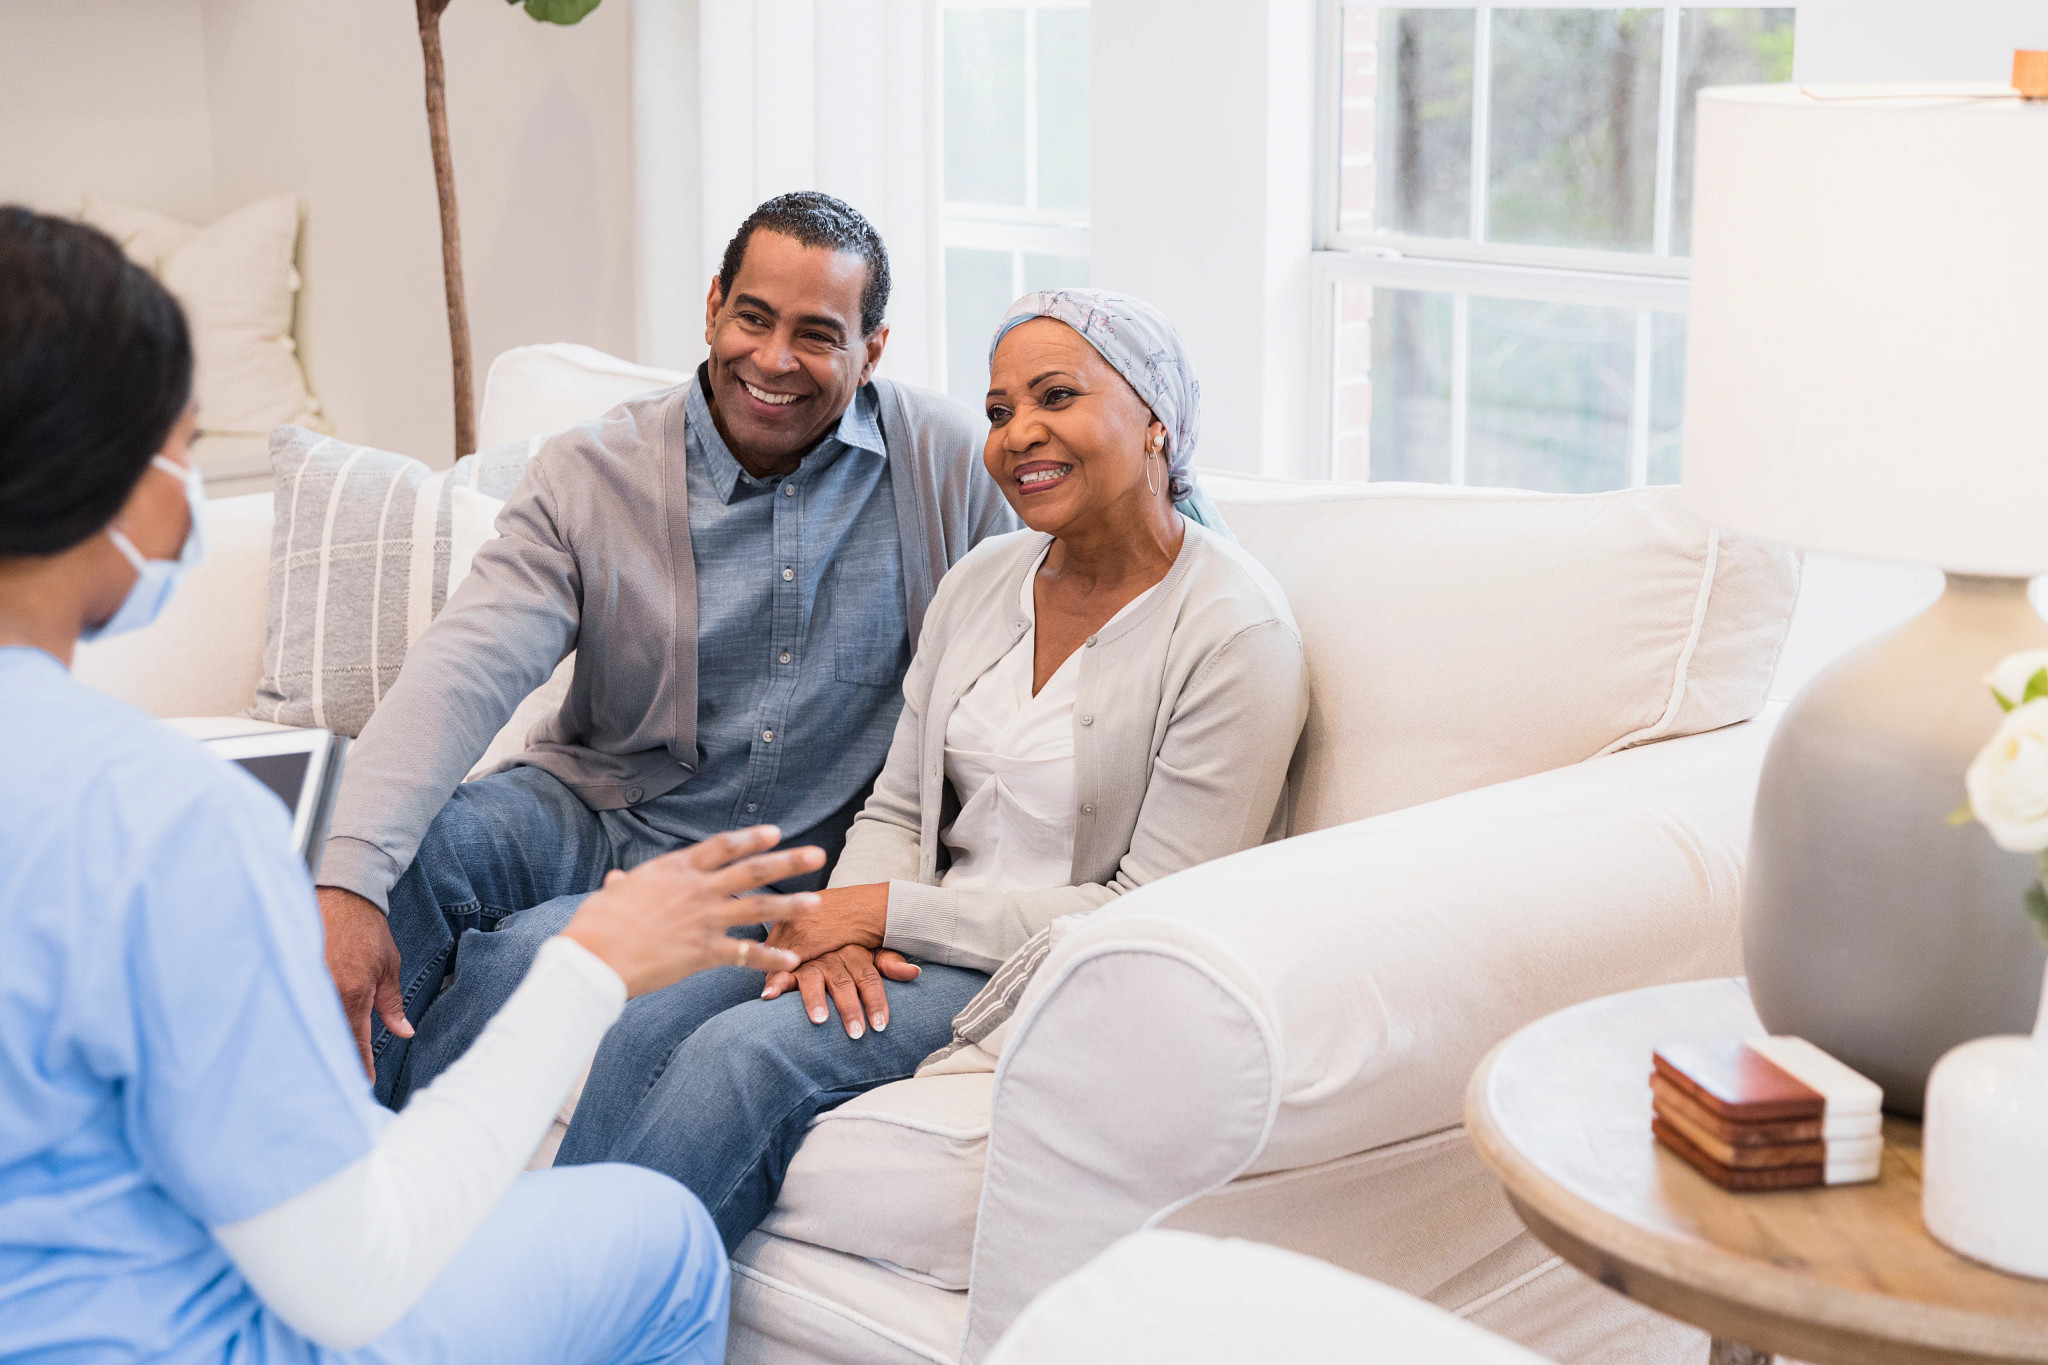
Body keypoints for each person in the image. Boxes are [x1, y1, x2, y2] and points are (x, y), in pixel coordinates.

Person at [0, 207, 824, 1363]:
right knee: (659, 1234)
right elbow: (354, 1274)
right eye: (185, 451)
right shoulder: (159, 817)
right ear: (106, 474)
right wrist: (593, 963)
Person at [554, 288, 1312, 1251]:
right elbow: (901, 802)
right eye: (999, 411)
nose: (1018, 434)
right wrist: (843, 933)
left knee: (743, 1057)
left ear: (1156, 420)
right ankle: (534, 1303)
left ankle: (577, 1321)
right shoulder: (985, 579)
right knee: (646, 1021)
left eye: (1055, 397)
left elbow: (1146, 910)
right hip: (916, 930)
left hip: (1048, 972)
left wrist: (880, 916)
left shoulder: (1236, 632)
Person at [312, 191, 1019, 1107]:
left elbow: (1071, 572)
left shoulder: (944, 463)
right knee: (392, 857)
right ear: (716, 303)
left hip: (789, 866)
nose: (772, 359)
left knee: (536, 956)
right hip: (598, 809)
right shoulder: (591, 470)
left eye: (816, 334)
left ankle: (422, 1200)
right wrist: (348, 881)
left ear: (871, 349)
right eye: (753, 318)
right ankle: (321, 1166)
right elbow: (461, 672)